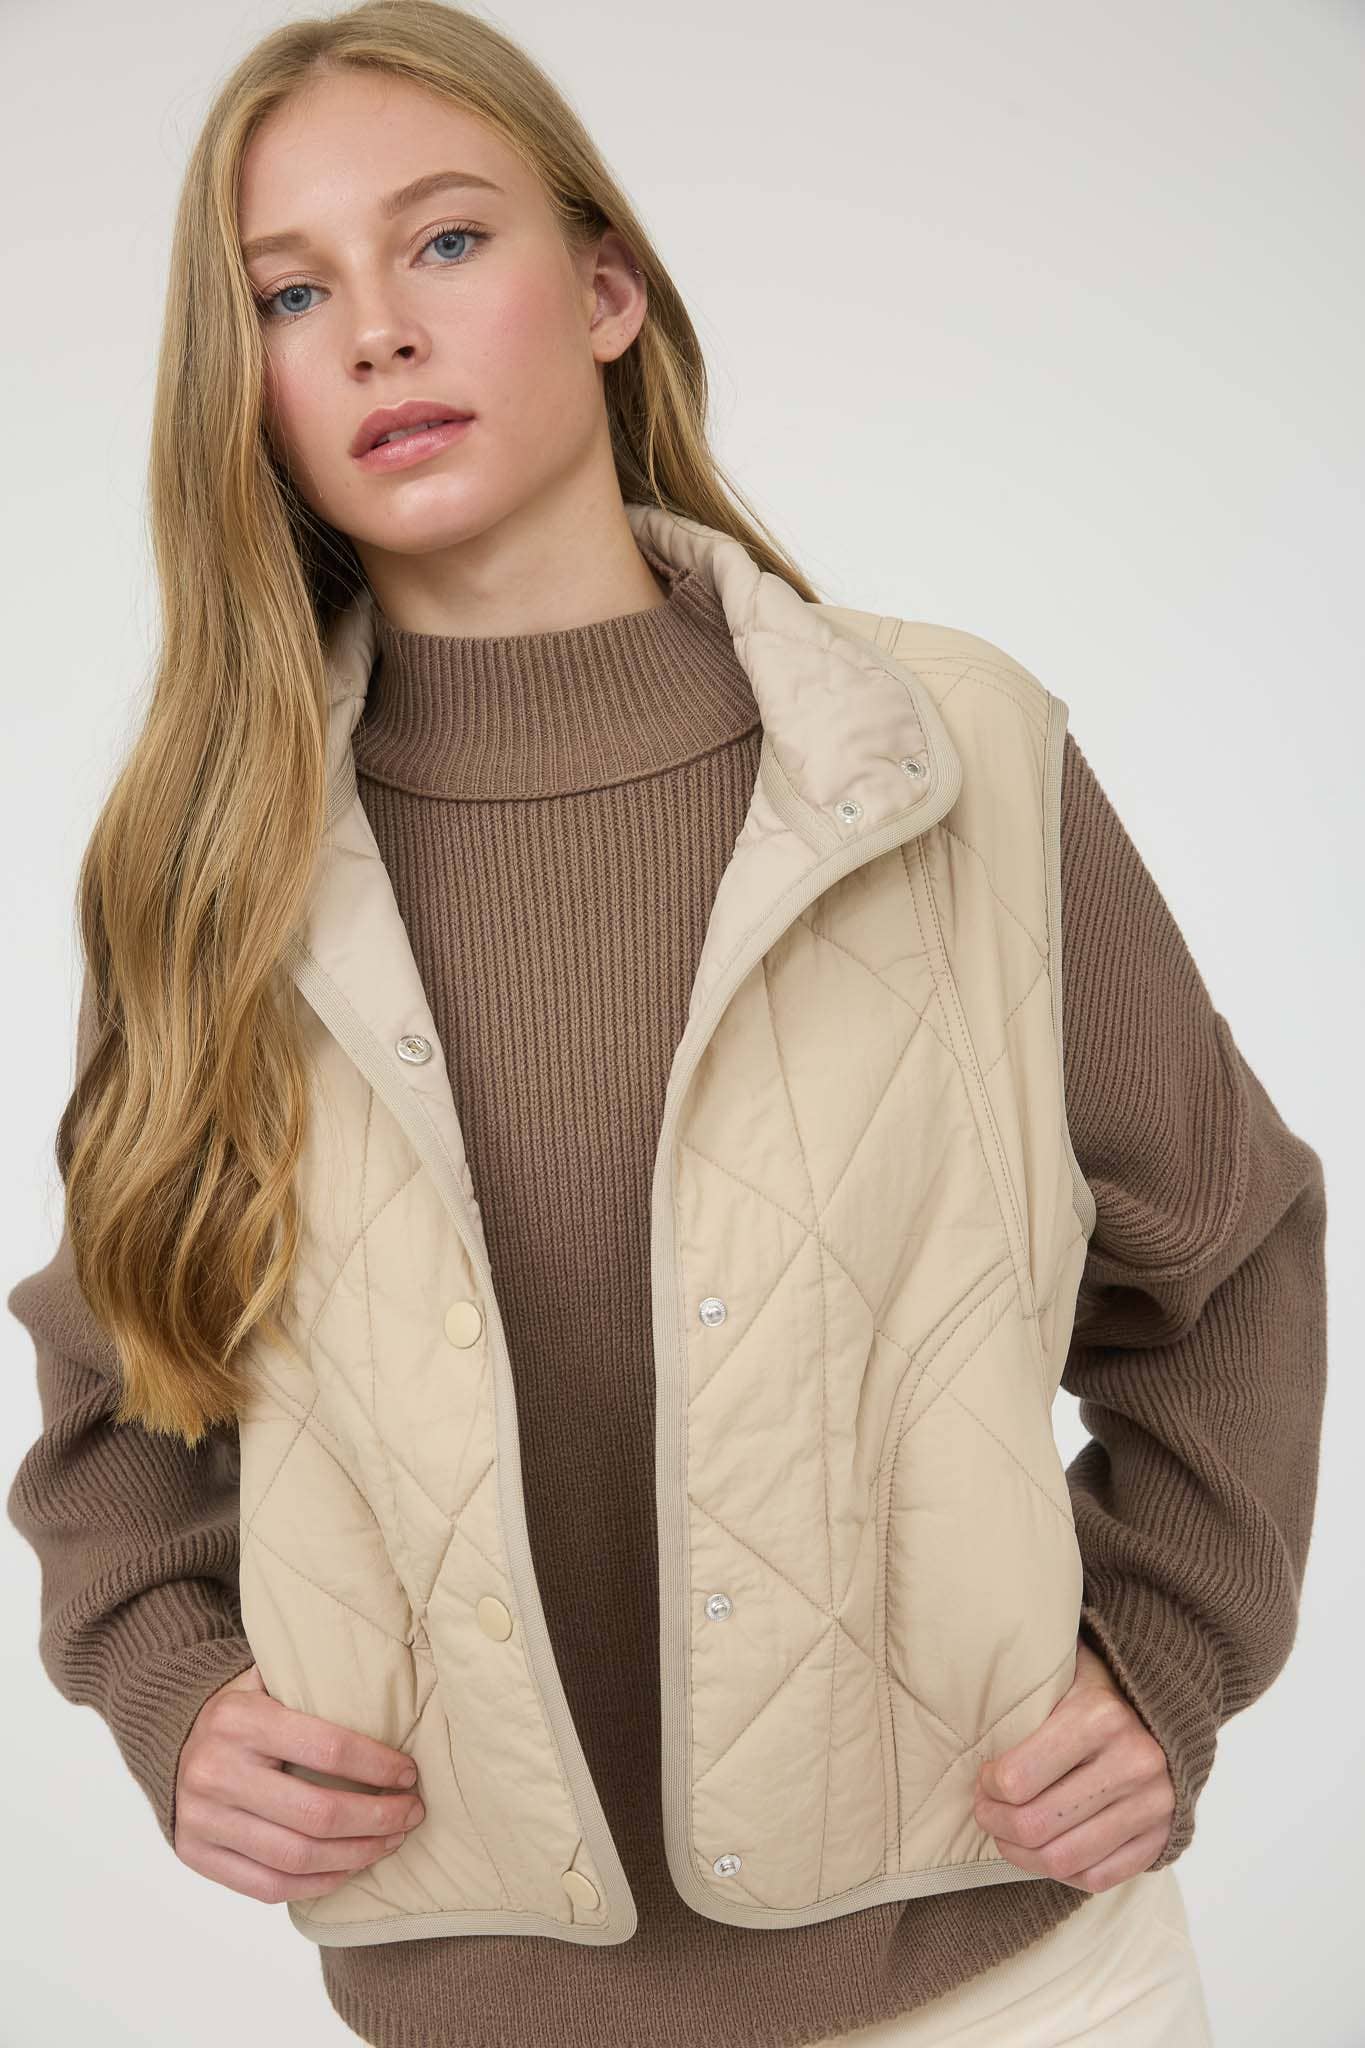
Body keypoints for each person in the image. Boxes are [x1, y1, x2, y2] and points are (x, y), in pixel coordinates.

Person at [6, 3, 1327, 2045]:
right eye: (288, 293)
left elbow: (1224, 1253)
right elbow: (119, 1382)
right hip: (477, 2003)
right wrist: (170, 1687)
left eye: (446, 242)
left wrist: (1165, 1649)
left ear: (608, 290)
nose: (376, 333)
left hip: (1012, 1977)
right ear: (239, 382)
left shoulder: (947, 755)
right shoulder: (206, 859)